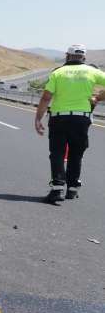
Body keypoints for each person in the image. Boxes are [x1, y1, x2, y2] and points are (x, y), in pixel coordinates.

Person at [34, 44, 105, 203]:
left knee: (58, 153)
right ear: (84, 58)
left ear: (67, 56)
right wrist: (97, 98)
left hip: (59, 118)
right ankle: (72, 189)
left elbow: (46, 97)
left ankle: (57, 189)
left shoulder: (58, 72)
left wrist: (38, 118)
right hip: (81, 119)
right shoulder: (92, 71)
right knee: (76, 154)